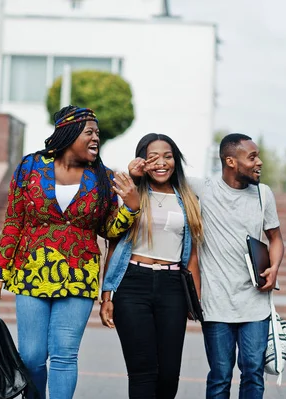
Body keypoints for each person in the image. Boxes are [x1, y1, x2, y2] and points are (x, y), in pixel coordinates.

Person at [0, 106, 141, 399]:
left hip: (78, 275)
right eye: (90, 132)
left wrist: (131, 207)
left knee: (64, 355)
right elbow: (13, 221)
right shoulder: (30, 167)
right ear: (68, 134)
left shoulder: (103, 178)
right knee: (30, 356)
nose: (97, 138)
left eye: (98, 133)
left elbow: (108, 230)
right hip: (31, 271)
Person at [99, 133, 203, 399]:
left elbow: (191, 256)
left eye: (167, 156)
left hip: (173, 287)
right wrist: (107, 293)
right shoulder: (130, 192)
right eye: (153, 157)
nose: (161, 163)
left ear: (175, 161)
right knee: (142, 372)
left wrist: (196, 301)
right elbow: (113, 242)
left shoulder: (187, 198)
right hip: (132, 283)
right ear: (142, 161)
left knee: (169, 375)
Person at [192, 133, 284, 398]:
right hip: (216, 303)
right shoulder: (204, 188)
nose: (260, 162)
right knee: (220, 376)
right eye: (252, 156)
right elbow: (165, 173)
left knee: (253, 373)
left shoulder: (263, 195)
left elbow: (276, 239)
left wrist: (275, 266)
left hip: (255, 303)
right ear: (230, 161)